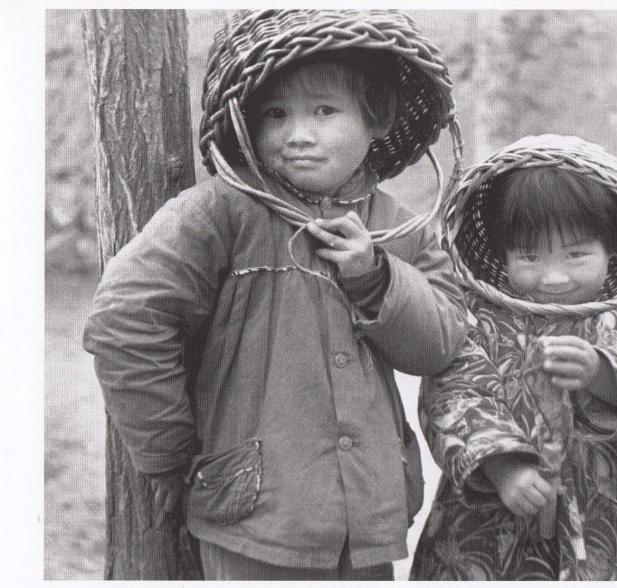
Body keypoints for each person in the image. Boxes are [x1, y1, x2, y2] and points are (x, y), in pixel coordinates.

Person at [83, 9, 467, 581]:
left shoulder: (398, 229)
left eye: (325, 110)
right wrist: (173, 458)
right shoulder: (222, 211)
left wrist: (375, 275)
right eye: (276, 114)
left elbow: (442, 339)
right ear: (247, 124)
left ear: (378, 119)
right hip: (254, 523)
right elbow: (124, 319)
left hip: (366, 526)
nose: (297, 134)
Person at [410, 135, 617, 580]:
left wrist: (604, 373)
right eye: (529, 256)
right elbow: (453, 395)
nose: (553, 276)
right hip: (488, 534)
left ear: (612, 249)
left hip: (608, 531)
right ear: (502, 255)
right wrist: (503, 467)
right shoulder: (478, 320)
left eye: (577, 255)